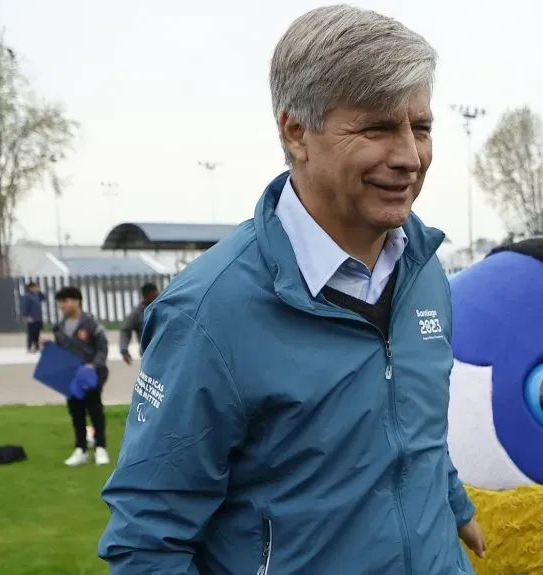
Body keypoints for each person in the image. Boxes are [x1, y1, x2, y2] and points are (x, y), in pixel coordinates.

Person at [98, 6, 484, 573]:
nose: (409, 156)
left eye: (420, 127)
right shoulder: (209, 312)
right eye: (377, 128)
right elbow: (147, 537)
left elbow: (412, 423)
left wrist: (452, 504)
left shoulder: (426, 267)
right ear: (296, 132)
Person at [47, 287, 110, 466]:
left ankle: (100, 447)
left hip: (90, 375)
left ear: (76, 301)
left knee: (95, 410)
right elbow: (61, 350)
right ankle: (81, 449)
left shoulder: (91, 324)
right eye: (60, 302)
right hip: (70, 377)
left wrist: (94, 365)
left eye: (65, 301)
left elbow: (102, 347)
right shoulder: (59, 327)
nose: (63, 306)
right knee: (76, 412)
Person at [118, 283, 160, 365]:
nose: (157, 298)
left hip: (167, 351)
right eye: (154, 296)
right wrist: (124, 350)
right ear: (146, 296)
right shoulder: (137, 313)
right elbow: (125, 331)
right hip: (148, 354)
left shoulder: (163, 307)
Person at [21, 281, 46, 352]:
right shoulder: (27, 296)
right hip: (31, 318)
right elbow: (25, 306)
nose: (36, 288)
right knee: (31, 333)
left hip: (38, 317)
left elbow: (43, 298)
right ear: (30, 288)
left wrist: (39, 291)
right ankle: (30, 346)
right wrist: (26, 316)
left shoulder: (37, 295)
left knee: (37, 333)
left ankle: (36, 346)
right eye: (35, 287)